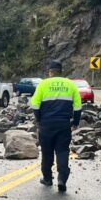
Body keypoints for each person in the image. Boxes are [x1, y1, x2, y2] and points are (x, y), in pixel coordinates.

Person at [29, 59, 81, 192]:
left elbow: (34, 104)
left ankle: (47, 178)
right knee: (62, 151)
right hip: (63, 124)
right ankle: (62, 179)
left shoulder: (43, 84)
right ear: (61, 72)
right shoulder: (70, 84)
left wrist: (39, 119)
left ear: (50, 72)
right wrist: (75, 122)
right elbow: (78, 107)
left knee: (47, 153)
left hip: (46, 124)